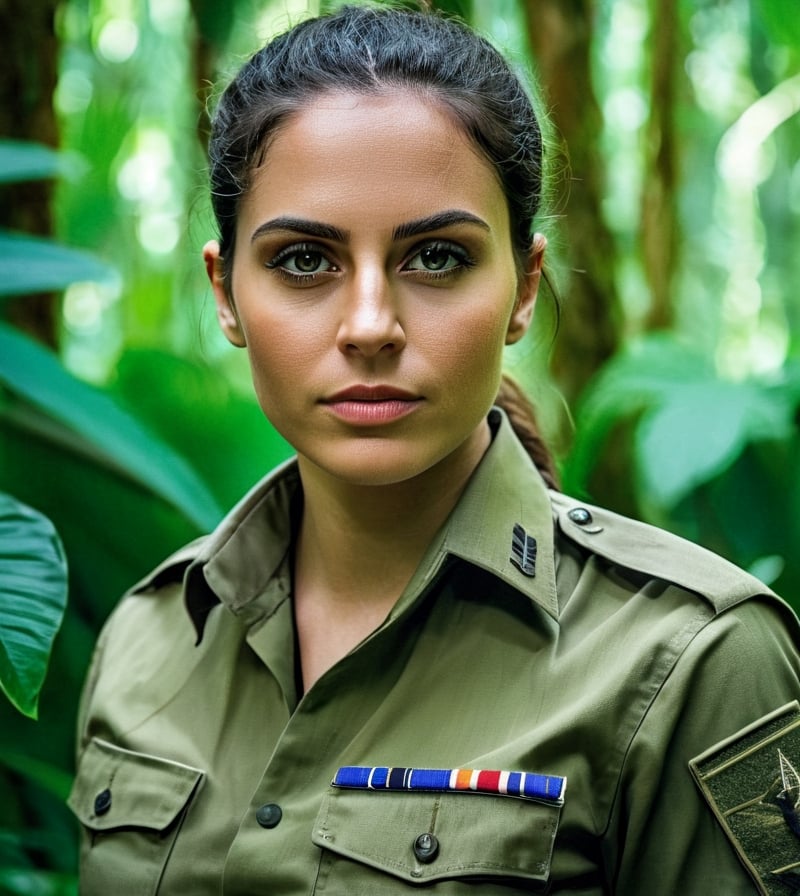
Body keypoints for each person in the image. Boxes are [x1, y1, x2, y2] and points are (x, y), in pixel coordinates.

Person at [68, 4, 800, 894]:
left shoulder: (694, 658)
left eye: (438, 258)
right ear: (226, 294)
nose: (370, 325)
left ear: (524, 288)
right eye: (304, 260)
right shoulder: (149, 642)